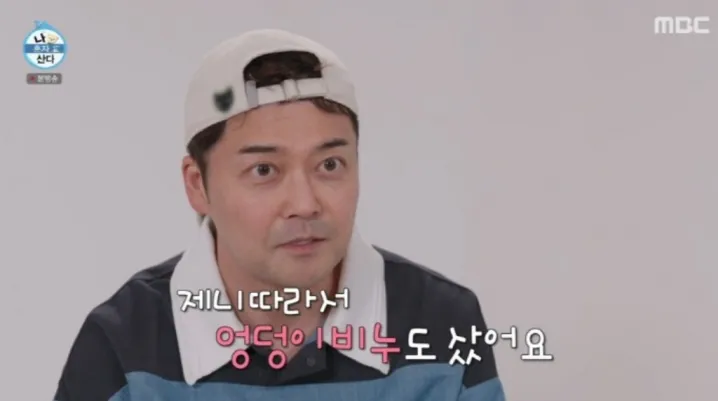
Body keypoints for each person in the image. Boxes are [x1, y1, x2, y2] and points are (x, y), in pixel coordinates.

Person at [54, 29, 506, 401]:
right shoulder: (124, 345)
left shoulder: (443, 325)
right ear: (197, 185)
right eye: (264, 170)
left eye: (330, 164)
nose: (305, 203)